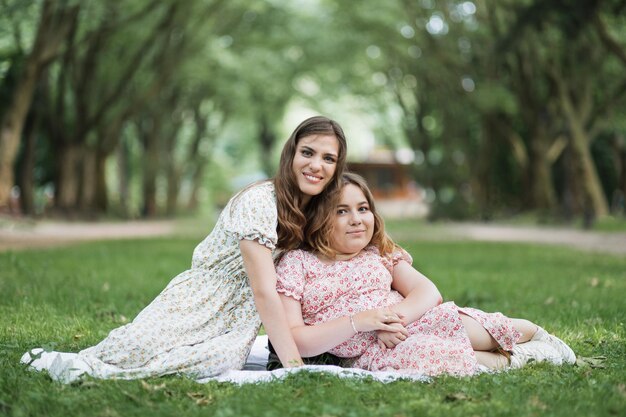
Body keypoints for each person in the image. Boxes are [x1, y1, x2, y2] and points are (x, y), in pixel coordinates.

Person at [22, 116, 348, 381]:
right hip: (199, 297)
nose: (316, 165)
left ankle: (105, 373)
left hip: (239, 314)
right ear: (291, 153)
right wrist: (293, 365)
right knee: (137, 345)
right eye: (308, 152)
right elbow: (264, 290)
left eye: (328, 158)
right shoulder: (260, 201)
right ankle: (89, 365)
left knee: (220, 360)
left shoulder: (315, 213)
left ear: (337, 167)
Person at [275, 173, 576, 376]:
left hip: (411, 320)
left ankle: (536, 334)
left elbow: (428, 292)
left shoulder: (378, 253)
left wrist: (389, 319)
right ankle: (520, 358)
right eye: (341, 211)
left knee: (470, 326)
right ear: (316, 217)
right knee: (429, 354)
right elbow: (297, 339)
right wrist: (360, 323)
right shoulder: (297, 264)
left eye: (363, 208)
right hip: (374, 350)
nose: (356, 220)